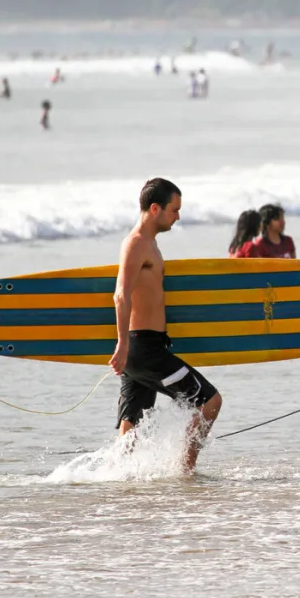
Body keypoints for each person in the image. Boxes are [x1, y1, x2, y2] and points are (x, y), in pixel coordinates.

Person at [110, 178, 222, 472]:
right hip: (144, 349)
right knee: (210, 402)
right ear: (155, 208)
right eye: (174, 210)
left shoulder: (149, 245)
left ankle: (119, 479)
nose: (178, 217)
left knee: (131, 425)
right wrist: (122, 344)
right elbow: (121, 294)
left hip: (144, 348)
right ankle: (185, 471)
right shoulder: (136, 244)